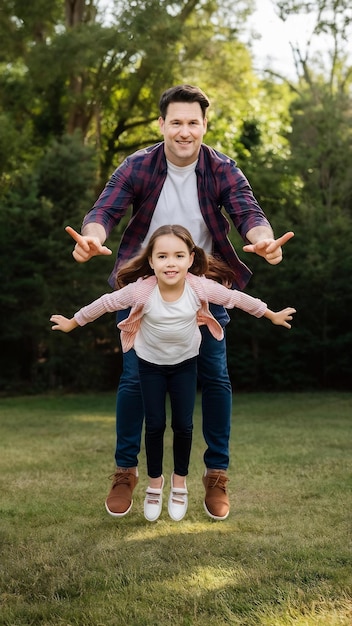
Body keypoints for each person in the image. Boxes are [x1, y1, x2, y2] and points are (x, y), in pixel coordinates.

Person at [65, 84, 294, 521]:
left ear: (204, 125)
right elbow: (106, 211)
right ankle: (125, 472)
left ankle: (216, 475)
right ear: (162, 125)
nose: (185, 131)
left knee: (217, 379)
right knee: (133, 382)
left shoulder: (222, 169)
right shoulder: (139, 165)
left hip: (203, 290)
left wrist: (264, 242)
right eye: (176, 122)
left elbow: (249, 213)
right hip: (146, 291)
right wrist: (92, 239)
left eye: (193, 122)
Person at [51, 225, 296, 522]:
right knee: (154, 425)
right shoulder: (142, 289)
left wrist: (271, 314)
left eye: (179, 255)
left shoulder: (199, 286)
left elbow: (236, 299)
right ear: (151, 261)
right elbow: (105, 304)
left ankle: (180, 484)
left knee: (183, 425)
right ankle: (155, 484)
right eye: (163, 256)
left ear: (191, 259)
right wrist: (72, 322)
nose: (171, 262)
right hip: (149, 365)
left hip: (184, 365)